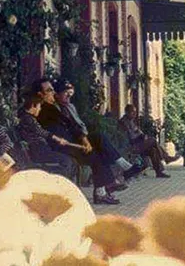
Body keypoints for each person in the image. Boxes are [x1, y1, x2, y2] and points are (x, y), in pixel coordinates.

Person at [33, 77, 122, 205]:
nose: (53, 92)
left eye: (53, 90)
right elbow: (55, 130)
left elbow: (72, 125)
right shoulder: (43, 108)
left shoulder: (54, 107)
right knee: (95, 154)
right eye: (49, 90)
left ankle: (108, 184)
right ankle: (105, 188)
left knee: (98, 140)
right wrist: (80, 141)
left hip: (68, 142)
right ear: (40, 94)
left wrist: (84, 139)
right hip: (58, 146)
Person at [53, 79, 140, 181]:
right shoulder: (54, 109)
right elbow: (72, 127)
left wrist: (84, 136)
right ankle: (110, 183)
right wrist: (84, 139)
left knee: (100, 141)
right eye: (65, 93)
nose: (69, 95)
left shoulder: (70, 107)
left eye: (70, 93)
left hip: (77, 138)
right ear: (57, 94)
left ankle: (108, 185)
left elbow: (80, 125)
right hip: (68, 143)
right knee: (98, 145)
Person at [16, 94, 80, 179]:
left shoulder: (27, 118)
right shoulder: (27, 119)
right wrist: (58, 139)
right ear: (33, 106)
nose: (40, 109)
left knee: (71, 161)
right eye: (39, 106)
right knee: (67, 162)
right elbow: (41, 132)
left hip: (41, 149)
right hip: (38, 150)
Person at [119, 104, 178, 178]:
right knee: (153, 140)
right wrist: (140, 136)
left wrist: (143, 136)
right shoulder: (124, 122)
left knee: (153, 150)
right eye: (132, 112)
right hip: (132, 146)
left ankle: (159, 172)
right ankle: (166, 158)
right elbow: (130, 137)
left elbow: (138, 132)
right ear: (127, 112)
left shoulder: (131, 121)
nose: (134, 114)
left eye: (135, 112)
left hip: (138, 143)